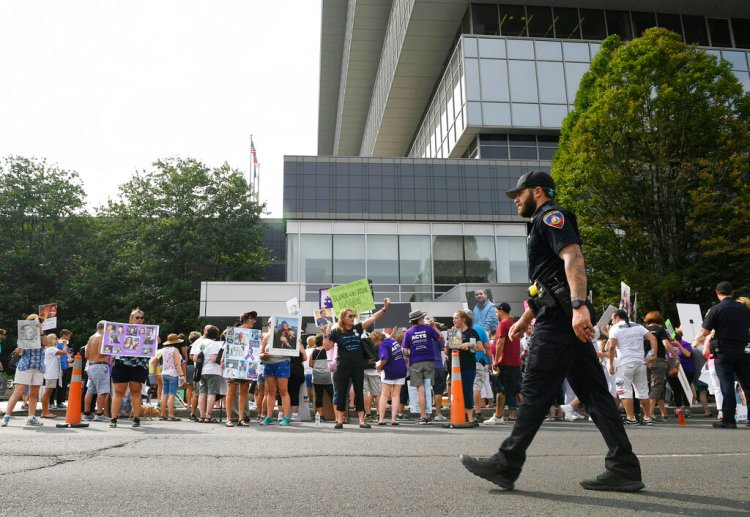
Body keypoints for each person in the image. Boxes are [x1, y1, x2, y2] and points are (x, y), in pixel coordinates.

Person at [461, 170, 643, 492]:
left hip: (560, 321)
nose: (516, 199)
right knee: (596, 396)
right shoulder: (539, 224)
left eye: (520, 193)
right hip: (558, 317)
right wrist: (523, 320)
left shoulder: (551, 217)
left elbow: (573, 258)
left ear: (539, 191)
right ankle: (624, 466)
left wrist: (578, 306)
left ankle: (506, 463)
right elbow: (546, 285)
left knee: (534, 391)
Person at [693, 281, 750, 429]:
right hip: (742, 350)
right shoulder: (744, 309)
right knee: (747, 385)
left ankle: (729, 420)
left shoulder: (715, 309)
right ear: (733, 292)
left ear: (717, 293)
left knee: (727, 386)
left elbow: (704, 332)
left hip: (723, 352)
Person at [329, 299, 391, 429]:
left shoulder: (358, 328)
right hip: (343, 366)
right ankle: (340, 420)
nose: (353, 318)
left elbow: (372, 318)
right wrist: (325, 333)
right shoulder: (336, 332)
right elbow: (327, 347)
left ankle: (362, 420)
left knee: (359, 391)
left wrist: (384, 309)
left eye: (354, 316)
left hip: (357, 366)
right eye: (350, 316)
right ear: (343, 318)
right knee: (341, 392)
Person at [607, 309, 657, 425]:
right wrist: (653, 353)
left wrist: (610, 364)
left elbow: (611, 347)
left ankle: (631, 418)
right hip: (640, 362)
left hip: (624, 363)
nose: (612, 321)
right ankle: (647, 417)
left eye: (613, 319)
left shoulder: (615, 328)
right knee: (643, 391)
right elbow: (653, 338)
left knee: (624, 391)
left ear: (618, 318)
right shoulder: (638, 326)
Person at [2, 314, 46, 427]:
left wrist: (41, 331)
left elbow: (47, 344)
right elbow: (20, 352)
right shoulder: (24, 335)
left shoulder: (42, 335)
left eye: (40, 322)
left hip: (38, 367)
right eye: (36, 322)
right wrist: (18, 350)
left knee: (34, 394)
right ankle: (6, 417)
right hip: (25, 366)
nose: (38, 323)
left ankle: (31, 417)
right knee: (18, 392)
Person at [402, 309, 443, 425]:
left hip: (415, 362)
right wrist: (434, 326)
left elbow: (405, 350)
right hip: (429, 361)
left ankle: (423, 416)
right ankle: (429, 415)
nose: (424, 319)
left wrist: (412, 354)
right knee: (428, 387)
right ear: (419, 319)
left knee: (420, 389)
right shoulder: (428, 329)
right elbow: (440, 338)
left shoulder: (409, 332)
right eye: (423, 318)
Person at [485, 303, 522, 425]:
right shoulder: (513, 322)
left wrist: (496, 361)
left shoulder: (503, 323)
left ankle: (498, 416)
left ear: (501, 311)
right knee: (517, 389)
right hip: (514, 361)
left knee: (501, 390)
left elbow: (500, 343)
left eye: (496, 312)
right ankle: (531, 414)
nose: (496, 314)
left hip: (505, 361)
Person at [643, 311, 677, 422]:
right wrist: (675, 356)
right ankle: (649, 413)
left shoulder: (643, 329)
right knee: (657, 386)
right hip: (658, 360)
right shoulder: (660, 330)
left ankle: (664, 414)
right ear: (659, 320)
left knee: (658, 386)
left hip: (645, 361)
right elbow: (666, 344)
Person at [450, 310, 483, 424]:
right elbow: (449, 351)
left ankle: (469, 417)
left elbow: (480, 348)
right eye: (453, 318)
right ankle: (460, 415)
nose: (453, 320)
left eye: (456, 318)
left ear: (463, 320)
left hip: (468, 366)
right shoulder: (454, 332)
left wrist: (469, 344)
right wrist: (446, 346)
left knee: (467, 391)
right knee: (457, 392)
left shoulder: (471, 332)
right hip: (455, 368)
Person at [224, 310, 256, 426]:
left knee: (244, 391)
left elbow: (254, 351)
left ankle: (241, 418)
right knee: (231, 391)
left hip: (247, 363)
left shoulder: (253, 334)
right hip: (233, 363)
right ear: (244, 319)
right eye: (251, 318)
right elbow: (227, 347)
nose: (253, 321)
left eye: (254, 319)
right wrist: (224, 361)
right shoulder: (233, 331)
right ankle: (228, 418)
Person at [259, 326, 292, 426]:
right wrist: (263, 355)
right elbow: (261, 353)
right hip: (269, 364)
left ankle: (286, 417)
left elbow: (293, 350)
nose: (272, 326)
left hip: (282, 363)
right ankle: (269, 416)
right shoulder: (267, 337)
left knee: (283, 390)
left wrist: (296, 343)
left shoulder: (287, 335)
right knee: (270, 391)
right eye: (270, 323)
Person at [375, 329, 406, 426]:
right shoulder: (393, 340)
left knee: (384, 395)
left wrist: (378, 367)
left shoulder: (383, 345)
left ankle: (381, 419)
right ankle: (394, 419)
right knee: (396, 395)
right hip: (401, 369)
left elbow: (384, 358)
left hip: (389, 371)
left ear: (377, 340)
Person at [83, 321, 112, 422]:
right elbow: (101, 352)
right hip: (100, 365)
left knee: (90, 391)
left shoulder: (91, 337)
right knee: (103, 391)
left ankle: (86, 413)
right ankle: (99, 414)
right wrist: (110, 351)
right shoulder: (102, 337)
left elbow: (86, 354)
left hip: (90, 366)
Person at [196, 325, 224, 423]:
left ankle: (201, 416)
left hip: (202, 371)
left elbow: (195, 358)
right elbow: (213, 359)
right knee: (211, 393)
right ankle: (208, 416)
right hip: (213, 371)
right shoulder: (214, 344)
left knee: (202, 393)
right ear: (216, 335)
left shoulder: (201, 343)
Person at [159, 333, 186, 421]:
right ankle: (171, 415)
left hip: (164, 373)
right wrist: (182, 375)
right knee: (171, 395)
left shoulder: (163, 350)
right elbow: (177, 364)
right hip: (173, 374)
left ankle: (162, 414)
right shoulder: (175, 350)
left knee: (164, 394)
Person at [41, 333, 67, 419]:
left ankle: (45, 411)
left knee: (48, 393)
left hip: (51, 374)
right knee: (47, 393)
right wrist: (65, 344)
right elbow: (64, 352)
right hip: (50, 374)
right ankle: (45, 412)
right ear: (52, 340)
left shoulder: (51, 349)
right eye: (55, 338)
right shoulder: (51, 349)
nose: (57, 339)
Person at [310, 334, 333, 418]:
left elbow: (311, 364)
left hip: (316, 376)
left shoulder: (314, 351)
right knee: (332, 394)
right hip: (327, 376)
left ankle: (320, 415)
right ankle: (337, 414)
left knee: (318, 396)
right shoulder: (328, 350)